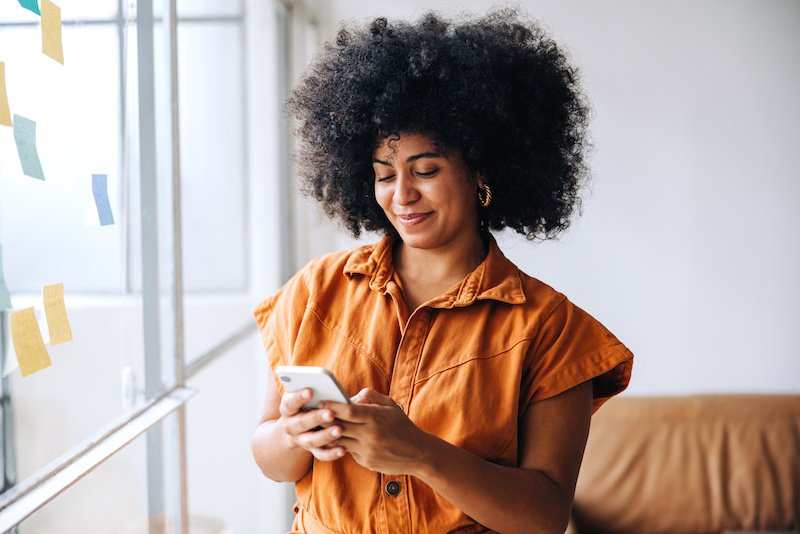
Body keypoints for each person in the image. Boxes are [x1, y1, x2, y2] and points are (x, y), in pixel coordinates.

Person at [251, 9, 633, 534]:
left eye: (425, 171)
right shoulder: (317, 289)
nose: (402, 195)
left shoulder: (550, 329)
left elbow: (544, 516)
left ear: (482, 168)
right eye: (385, 175)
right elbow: (269, 457)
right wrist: (295, 435)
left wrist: (422, 454)